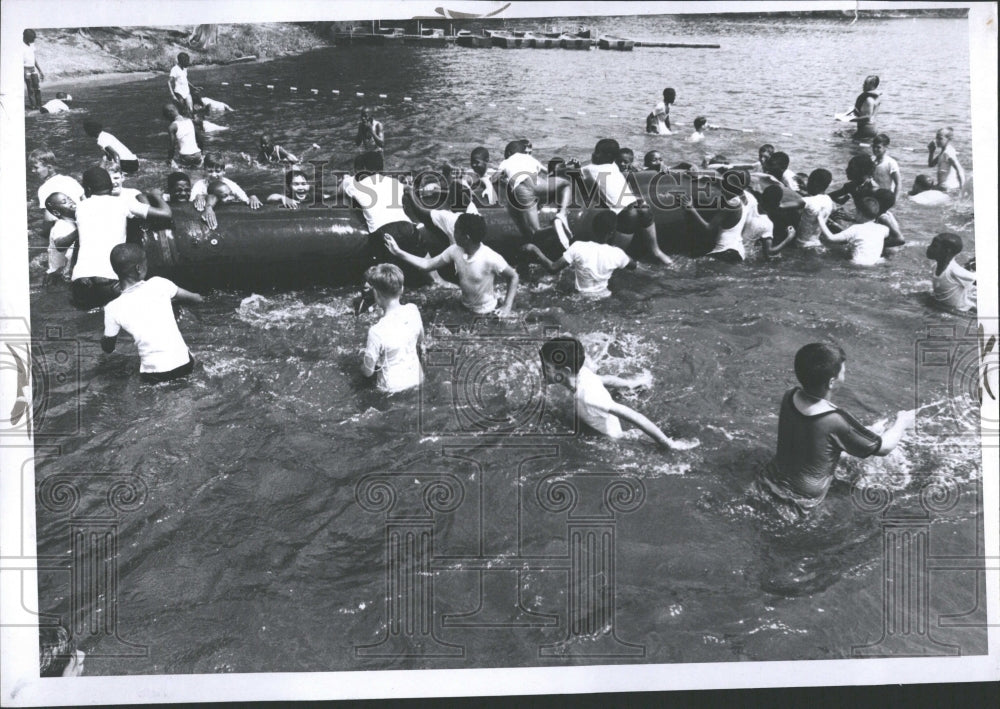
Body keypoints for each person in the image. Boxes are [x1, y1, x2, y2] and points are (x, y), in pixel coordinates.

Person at [754, 342, 914, 519]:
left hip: (768, 480)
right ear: (831, 382)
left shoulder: (789, 395)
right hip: (801, 502)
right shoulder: (835, 419)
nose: (845, 374)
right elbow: (883, 447)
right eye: (843, 372)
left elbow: (812, 437)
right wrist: (902, 422)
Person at [539, 336, 674, 448]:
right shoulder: (584, 373)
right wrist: (630, 384)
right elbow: (605, 379)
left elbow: (633, 416)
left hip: (612, 438)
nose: (542, 370)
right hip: (590, 417)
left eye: (547, 368)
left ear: (566, 372)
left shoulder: (588, 397)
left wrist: (668, 443)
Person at [71, 166, 171, 309]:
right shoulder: (123, 203)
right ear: (111, 186)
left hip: (79, 283)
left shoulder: (80, 207)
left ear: (87, 189)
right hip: (109, 282)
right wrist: (157, 196)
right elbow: (165, 214)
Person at [384, 213, 520, 317]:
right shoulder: (455, 250)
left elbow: (514, 276)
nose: (453, 233)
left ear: (466, 238)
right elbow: (426, 265)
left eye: (456, 230)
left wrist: (507, 306)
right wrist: (398, 252)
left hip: (486, 311)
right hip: (464, 305)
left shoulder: (490, 257)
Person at [102, 243, 203, 383]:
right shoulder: (159, 284)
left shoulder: (112, 308)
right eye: (145, 263)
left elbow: (108, 348)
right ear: (138, 268)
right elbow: (196, 299)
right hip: (184, 365)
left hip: (153, 375)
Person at [578, 138, 673, 266]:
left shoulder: (588, 169)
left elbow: (566, 174)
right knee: (656, 252)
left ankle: (645, 273)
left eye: (596, 152)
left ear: (601, 155)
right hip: (642, 206)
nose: (593, 154)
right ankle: (671, 266)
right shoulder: (614, 166)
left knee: (615, 258)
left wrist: (568, 166)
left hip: (627, 213)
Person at [521, 210, 636, 298]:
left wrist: (534, 249)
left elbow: (552, 268)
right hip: (605, 296)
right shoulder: (616, 254)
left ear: (593, 228)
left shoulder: (578, 247)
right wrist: (620, 253)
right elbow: (633, 265)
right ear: (611, 233)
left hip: (582, 297)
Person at [360, 263, 425, 393]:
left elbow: (368, 371)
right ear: (402, 289)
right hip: (417, 380)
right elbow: (421, 341)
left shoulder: (377, 331)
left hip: (392, 389)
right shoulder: (413, 310)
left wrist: (362, 359)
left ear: (376, 294)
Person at [496, 139, 573, 245]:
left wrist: (504, 182)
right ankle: (562, 214)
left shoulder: (506, 161)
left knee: (536, 230)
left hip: (522, 190)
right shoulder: (529, 158)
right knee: (566, 184)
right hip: (537, 183)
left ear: (508, 153)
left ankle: (551, 229)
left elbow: (495, 178)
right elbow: (549, 173)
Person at [681, 169, 751, 263]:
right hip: (738, 250)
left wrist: (691, 208)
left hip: (723, 251)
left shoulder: (731, 204)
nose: (722, 186)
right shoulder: (745, 198)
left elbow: (708, 227)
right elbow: (719, 181)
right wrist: (701, 176)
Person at [818, 195, 887, 266]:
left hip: (857, 264)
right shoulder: (883, 229)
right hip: (874, 263)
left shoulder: (855, 228)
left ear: (859, 213)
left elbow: (830, 238)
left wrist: (820, 218)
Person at [30, 148, 84, 229]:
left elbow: (48, 219)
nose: (33, 171)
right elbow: (84, 201)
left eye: (36, 167)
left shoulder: (44, 189)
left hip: (65, 228)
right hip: (81, 223)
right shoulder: (70, 180)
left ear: (50, 167)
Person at [926, 233, 976, 312]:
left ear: (947, 251)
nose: (928, 247)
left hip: (962, 310)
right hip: (943, 306)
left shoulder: (954, 271)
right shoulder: (935, 266)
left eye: (934, 246)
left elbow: (976, 278)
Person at [910, 127, 966, 195]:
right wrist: (931, 151)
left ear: (949, 139)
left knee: (919, 185)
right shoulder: (943, 152)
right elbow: (931, 165)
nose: (937, 140)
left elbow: (959, 170)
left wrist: (962, 189)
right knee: (922, 181)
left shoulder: (948, 152)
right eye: (936, 138)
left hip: (947, 187)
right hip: (942, 186)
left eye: (940, 138)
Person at [794, 168, 835, 249]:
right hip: (816, 242)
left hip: (802, 244)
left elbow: (783, 205)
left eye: (808, 182)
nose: (807, 184)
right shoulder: (829, 200)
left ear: (814, 183)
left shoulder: (807, 201)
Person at [43, 192, 78, 283]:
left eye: (70, 199)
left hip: (66, 272)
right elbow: (60, 245)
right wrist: (79, 231)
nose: (71, 202)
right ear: (56, 212)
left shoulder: (75, 222)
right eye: (64, 201)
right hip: (57, 277)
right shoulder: (61, 225)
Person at [162, 103, 202, 168]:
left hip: (185, 156)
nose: (168, 120)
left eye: (167, 118)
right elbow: (200, 140)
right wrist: (201, 154)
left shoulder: (172, 126)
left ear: (169, 115)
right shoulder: (190, 121)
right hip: (197, 154)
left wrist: (169, 160)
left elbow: (172, 147)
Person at [845, 74, 880, 141]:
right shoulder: (877, 98)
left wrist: (849, 119)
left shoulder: (868, 100)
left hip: (866, 129)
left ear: (872, 85)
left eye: (866, 83)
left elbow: (867, 117)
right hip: (873, 128)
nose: (863, 85)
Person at [871, 134, 901, 203]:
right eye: (873, 146)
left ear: (886, 147)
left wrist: (894, 201)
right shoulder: (871, 161)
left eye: (878, 147)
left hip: (886, 197)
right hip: (874, 195)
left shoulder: (891, 163)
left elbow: (898, 183)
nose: (875, 149)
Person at [23, 29, 44, 111]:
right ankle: (33, 106)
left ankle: (39, 105)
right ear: (26, 37)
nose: (33, 40)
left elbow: (33, 59)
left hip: (33, 68)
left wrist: (40, 70)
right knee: (30, 89)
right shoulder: (20, 46)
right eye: (32, 38)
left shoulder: (31, 45)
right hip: (25, 69)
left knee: (37, 88)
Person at [168, 52, 194, 116]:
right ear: (181, 61)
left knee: (191, 110)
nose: (188, 63)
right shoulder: (174, 69)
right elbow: (169, 82)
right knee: (182, 111)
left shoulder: (185, 68)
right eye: (186, 61)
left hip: (186, 91)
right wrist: (172, 95)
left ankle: (191, 122)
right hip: (179, 92)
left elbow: (185, 80)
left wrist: (193, 87)